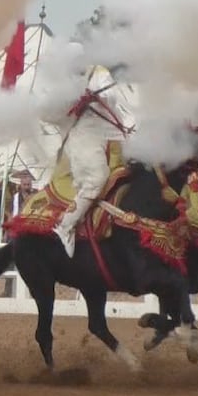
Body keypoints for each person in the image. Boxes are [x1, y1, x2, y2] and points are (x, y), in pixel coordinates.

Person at [44, 56, 131, 257]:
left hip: (112, 127)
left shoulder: (98, 72)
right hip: (83, 134)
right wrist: (72, 100)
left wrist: (93, 95)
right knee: (96, 177)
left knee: (141, 158)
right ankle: (65, 226)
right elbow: (48, 113)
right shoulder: (61, 85)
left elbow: (111, 95)